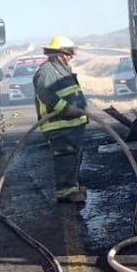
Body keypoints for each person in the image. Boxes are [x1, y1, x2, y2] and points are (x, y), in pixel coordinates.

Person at [33, 36, 89, 203]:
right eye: (69, 53)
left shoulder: (61, 69)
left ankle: (73, 186)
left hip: (72, 124)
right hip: (59, 124)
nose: (71, 56)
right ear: (59, 54)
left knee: (73, 157)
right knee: (65, 157)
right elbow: (46, 95)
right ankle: (66, 192)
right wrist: (68, 109)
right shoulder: (47, 71)